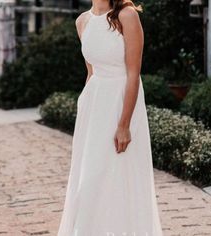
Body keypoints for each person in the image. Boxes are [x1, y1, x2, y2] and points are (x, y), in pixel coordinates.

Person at [57, 0, 163, 235]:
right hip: (93, 109)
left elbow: (134, 74)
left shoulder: (126, 15)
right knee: (89, 180)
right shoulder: (82, 21)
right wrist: (83, 108)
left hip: (120, 105)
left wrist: (124, 124)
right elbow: (91, 72)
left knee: (117, 178)